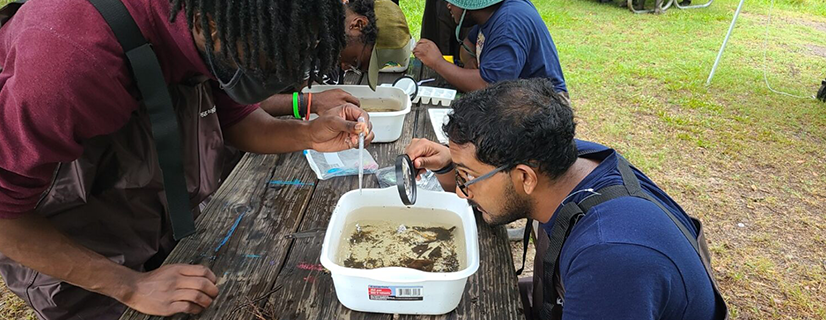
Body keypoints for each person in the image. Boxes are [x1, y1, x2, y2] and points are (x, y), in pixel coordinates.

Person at [0, 0, 373, 319]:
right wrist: (129, 286)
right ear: (208, 26)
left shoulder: (220, 24)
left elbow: (234, 120)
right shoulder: (66, 61)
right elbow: (6, 215)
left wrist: (308, 134)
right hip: (63, 242)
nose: (274, 76)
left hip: (151, 221)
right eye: (267, 64)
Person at [404, 78, 727, 319]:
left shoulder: (607, 259)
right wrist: (452, 163)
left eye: (468, 177)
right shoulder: (571, 160)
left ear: (526, 177)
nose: (463, 190)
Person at [259, 0, 413, 118]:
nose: (345, 67)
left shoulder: (326, 35)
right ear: (358, 24)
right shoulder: (287, 26)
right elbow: (243, 107)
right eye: (355, 62)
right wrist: (309, 103)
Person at [412, 0, 567, 95]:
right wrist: (470, 61)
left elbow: (487, 86)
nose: (448, 5)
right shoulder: (491, 14)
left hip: (544, 107)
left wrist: (438, 63)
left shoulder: (507, 27)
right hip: (518, 97)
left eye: (454, 1)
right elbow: (468, 44)